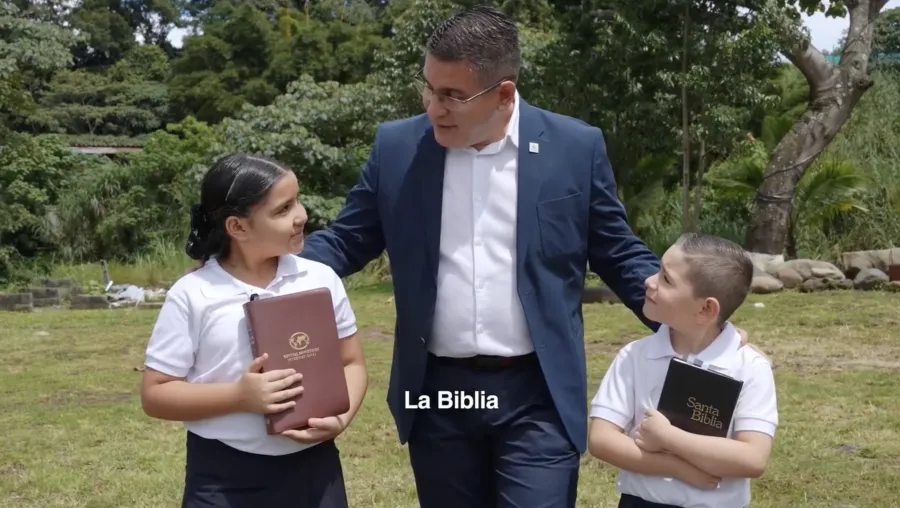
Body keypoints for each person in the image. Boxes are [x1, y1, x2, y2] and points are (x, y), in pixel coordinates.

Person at [300, 6, 753, 507]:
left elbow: (618, 253)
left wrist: (696, 329)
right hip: (435, 393)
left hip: (537, 390)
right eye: (428, 88)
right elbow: (346, 241)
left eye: (452, 95)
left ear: (504, 94)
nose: (434, 107)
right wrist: (264, 275)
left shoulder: (574, 148)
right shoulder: (398, 148)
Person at [141, 153, 368, 508]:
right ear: (238, 227)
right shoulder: (193, 294)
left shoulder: (320, 279)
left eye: (297, 201)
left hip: (315, 472)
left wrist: (342, 416)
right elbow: (156, 394)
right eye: (283, 209)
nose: (301, 215)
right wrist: (239, 396)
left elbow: (351, 362)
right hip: (222, 479)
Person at [587, 233, 777, 508]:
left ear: (706, 309)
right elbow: (602, 440)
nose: (649, 281)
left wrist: (669, 438)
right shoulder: (635, 356)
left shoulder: (749, 368)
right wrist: (677, 468)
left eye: (666, 279)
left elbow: (753, 458)